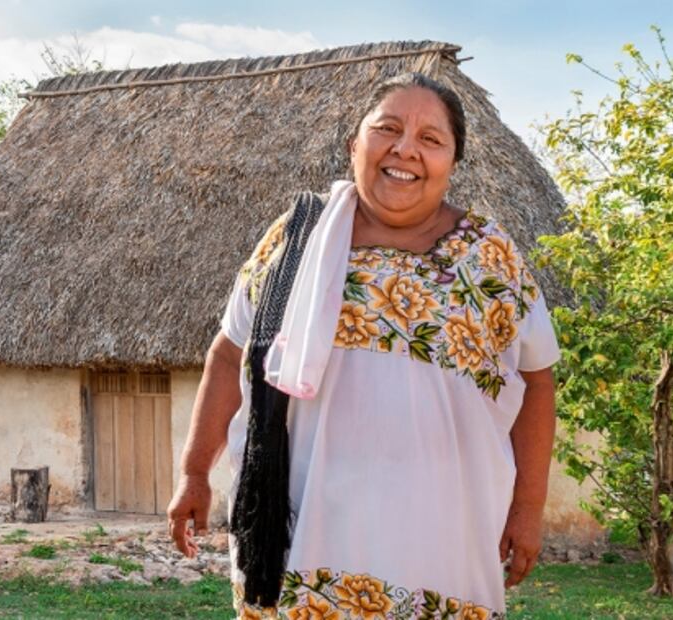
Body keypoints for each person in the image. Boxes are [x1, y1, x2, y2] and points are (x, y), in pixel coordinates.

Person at [167, 72, 560, 619]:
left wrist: (528, 507)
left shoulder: (489, 259)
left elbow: (538, 379)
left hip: (442, 542)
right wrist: (193, 473)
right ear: (356, 144)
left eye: (431, 139)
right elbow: (231, 352)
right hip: (302, 532)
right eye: (388, 129)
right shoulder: (295, 240)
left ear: (453, 162)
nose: (406, 150)